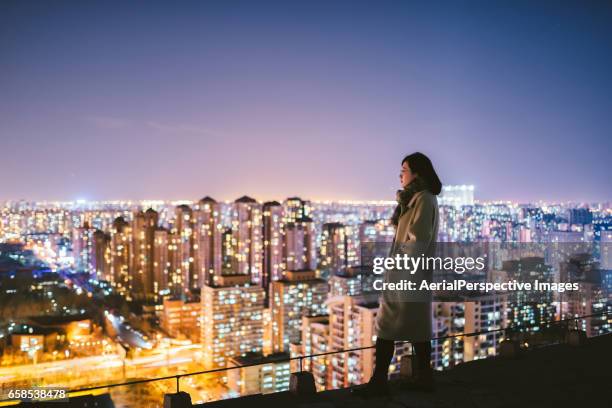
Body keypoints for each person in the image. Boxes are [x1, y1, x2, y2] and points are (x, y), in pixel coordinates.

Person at [354, 152, 441, 397]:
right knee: (416, 328)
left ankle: (379, 382)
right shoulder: (417, 199)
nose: (400, 174)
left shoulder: (424, 199)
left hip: (407, 275)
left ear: (417, 173)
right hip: (409, 274)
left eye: (404, 169)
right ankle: (423, 378)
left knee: (387, 326)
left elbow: (418, 239)